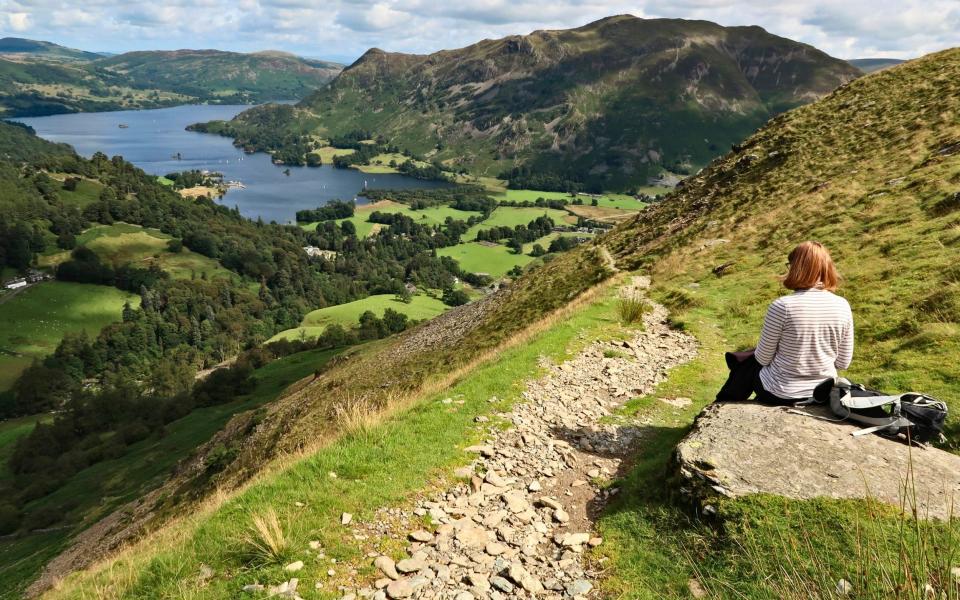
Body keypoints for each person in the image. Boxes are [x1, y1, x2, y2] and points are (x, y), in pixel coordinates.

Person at [716, 241, 854, 404]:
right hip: (822, 394)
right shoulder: (843, 305)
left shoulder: (783, 306)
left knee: (749, 361)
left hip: (780, 392)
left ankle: (723, 401)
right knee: (750, 358)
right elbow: (843, 362)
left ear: (796, 268)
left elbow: (763, 359)